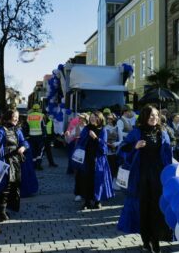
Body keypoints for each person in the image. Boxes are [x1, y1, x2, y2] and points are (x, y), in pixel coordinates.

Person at [117, 105, 172, 253]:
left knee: (157, 208)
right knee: (143, 209)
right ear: (144, 117)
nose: (154, 118)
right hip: (140, 177)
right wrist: (135, 146)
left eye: (156, 115)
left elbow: (168, 155)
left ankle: (155, 241)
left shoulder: (163, 132)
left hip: (158, 177)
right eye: (150, 116)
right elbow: (122, 149)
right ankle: (146, 240)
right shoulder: (137, 132)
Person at [73, 111, 114, 210]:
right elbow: (81, 142)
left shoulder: (103, 130)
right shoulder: (86, 129)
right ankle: (87, 201)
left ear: (99, 119)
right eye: (91, 117)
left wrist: (95, 138)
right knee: (86, 179)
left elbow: (104, 148)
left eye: (95, 117)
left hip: (99, 160)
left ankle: (97, 200)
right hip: (87, 159)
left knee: (98, 180)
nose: (92, 118)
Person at [0, 109, 29, 222]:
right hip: (4, 161)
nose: (17, 119)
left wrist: (23, 147)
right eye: (15, 116)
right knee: (5, 185)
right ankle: (1, 210)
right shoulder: (0, 130)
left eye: (17, 117)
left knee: (15, 184)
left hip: (15, 161)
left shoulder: (17, 130)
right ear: (8, 116)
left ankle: (8, 207)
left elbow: (24, 141)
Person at [26, 104, 46, 171]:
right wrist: (44, 135)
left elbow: (26, 127)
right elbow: (43, 126)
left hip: (31, 136)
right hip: (39, 136)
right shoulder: (41, 116)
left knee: (33, 150)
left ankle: (33, 165)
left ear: (33, 109)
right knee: (40, 151)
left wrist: (27, 135)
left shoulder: (29, 116)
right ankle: (39, 165)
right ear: (39, 109)